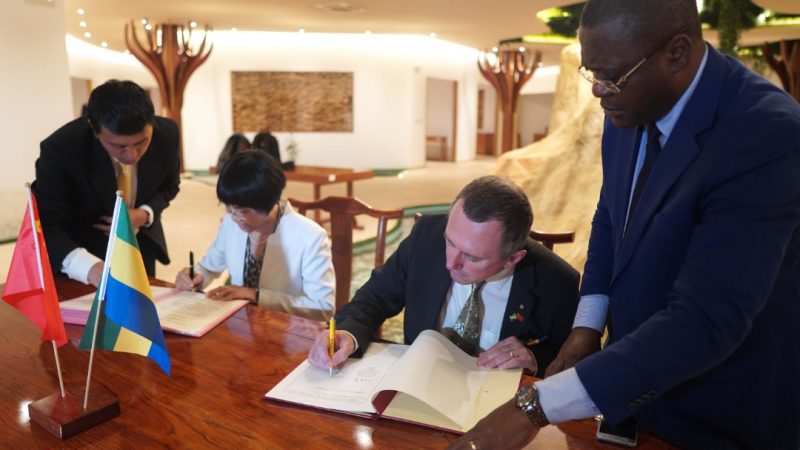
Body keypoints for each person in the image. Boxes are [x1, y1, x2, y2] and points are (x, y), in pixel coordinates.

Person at [449, 1, 800, 449]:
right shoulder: (630, 106)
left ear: (676, 53)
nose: (598, 90)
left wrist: (534, 406)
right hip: (633, 388)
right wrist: (588, 325)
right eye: (592, 73)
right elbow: (612, 218)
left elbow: (707, 318)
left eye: (611, 75)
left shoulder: (765, 133)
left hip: (723, 403)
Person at [307, 176, 579, 376]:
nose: (451, 262)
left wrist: (534, 358)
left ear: (512, 258)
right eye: (450, 242)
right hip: (417, 383)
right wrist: (347, 332)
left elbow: (573, 360)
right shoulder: (426, 236)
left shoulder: (558, 283)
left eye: (471, 257)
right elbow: (374, 298)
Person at [33, 79, 180, 286]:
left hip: (139, 243)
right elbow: (47, 222)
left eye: (142, 142)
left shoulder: (167, 134)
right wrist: (88, 267)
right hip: (83, 253)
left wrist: (144, 214)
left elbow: (170, 186)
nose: (132, 155)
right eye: (119, 146)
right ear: (95, 130)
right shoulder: (62, 148)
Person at [175, 151, 335, 321]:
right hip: (239, 323)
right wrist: (194, 277)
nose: (235, 217)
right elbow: (209, 267)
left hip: (285, 328)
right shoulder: (231, 223)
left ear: (269, 202)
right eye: (229, 208)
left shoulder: (310, 237)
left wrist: (254, 295)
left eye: (243, 211)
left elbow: (323, 307)